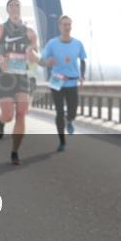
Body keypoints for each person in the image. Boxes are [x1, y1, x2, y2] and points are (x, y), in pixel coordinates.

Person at [0, 0, 40, 165]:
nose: (15, 7)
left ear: (20, 8)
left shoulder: (30, 32)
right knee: (9, 115)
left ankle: (15, 152)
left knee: (21, 113)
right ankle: (1, 120)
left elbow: (36, 57)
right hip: (5, 77)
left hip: (22, 76)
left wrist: (32, 54)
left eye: (17, 5)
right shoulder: (0, 29)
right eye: (11, 5)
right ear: (7, 10)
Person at [39, 16, 87, 152]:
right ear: (59, 26)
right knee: (59, 112)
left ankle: (70, 120)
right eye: (64, 24)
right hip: (57, 81)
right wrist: (47, 62)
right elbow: (42, 59)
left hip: (72, 81)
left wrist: (82, 75)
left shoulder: (78, 43)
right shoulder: (52, 43)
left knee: (73, 111)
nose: (67, 27)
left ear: (71, 26)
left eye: (69, 24)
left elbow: (83, 60)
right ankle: (62, 142)